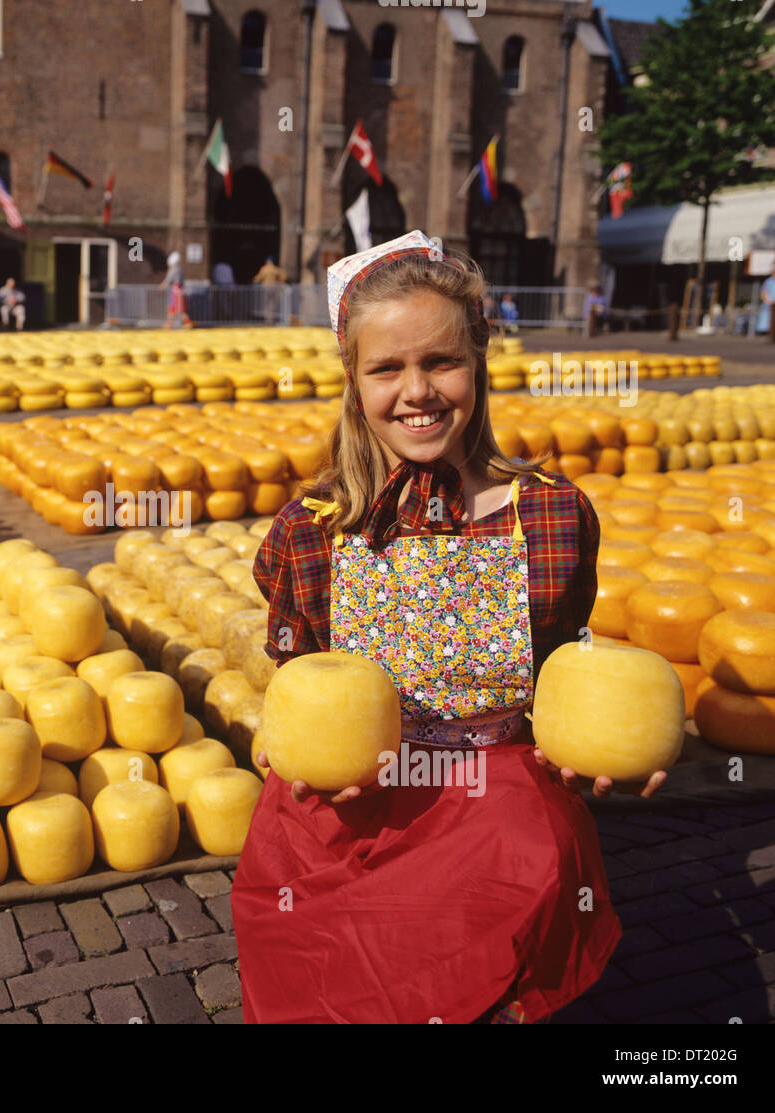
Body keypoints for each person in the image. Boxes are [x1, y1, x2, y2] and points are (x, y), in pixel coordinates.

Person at [231, 229, 655, 1025]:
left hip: (494, 799)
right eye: (387, 368)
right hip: (351, 806)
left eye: (441, 361)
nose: (417, 390)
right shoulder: (308, 532)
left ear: (480, 363)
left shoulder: (553, 517)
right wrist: (280, 747)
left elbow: (565, 685)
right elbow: (296, 687)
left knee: (523, 884)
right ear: (353, 382)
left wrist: (601, 749)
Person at [756, 261, 775, 342]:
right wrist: (769, 301)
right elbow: (763, 294)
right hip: (768, 305)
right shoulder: (768, 281)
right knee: (766, 320)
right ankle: (767, 334)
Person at [161, 250, 192, 328]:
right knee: (176, 308)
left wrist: (162, 286)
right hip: (179, 290)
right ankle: (170, 323)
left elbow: (168, 280)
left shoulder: (173, 270)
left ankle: (186, 323)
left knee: (176, 308)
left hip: (175, 291)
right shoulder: (179, 270)